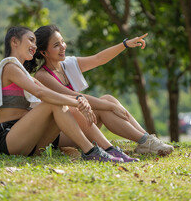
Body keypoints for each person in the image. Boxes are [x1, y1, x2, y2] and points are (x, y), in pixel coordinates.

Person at [0, 26, 131, 162]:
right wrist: (78, 102)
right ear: (14, 41)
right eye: (30, 40)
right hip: (7, 137)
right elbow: (41, 93)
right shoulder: (10, 67)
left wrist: (79, 100)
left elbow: (48, 92)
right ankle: (91, 151)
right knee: (53, 102)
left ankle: (109, 149)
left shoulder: (25, 74)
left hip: (31, 142)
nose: (34, 46)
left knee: (58, 101)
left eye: (35, 43)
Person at [24, 25, 174, 155]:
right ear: (44, 53)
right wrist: (110, 107)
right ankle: (145, 142)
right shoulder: (42, 75)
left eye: (63, 41)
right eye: (56, 45)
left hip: (80, 122)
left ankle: (146, 140)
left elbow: (98, 59)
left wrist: (125, 44)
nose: (63, 46)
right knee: (106, 105)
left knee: (108, 98)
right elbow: (75, 97)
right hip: (60, 133)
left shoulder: (67, 64)